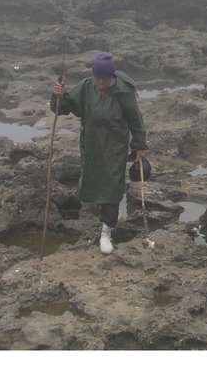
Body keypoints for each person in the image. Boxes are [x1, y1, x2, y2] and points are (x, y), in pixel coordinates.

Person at [50, 51, 148, 254]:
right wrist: (58, 95)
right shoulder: (87, 86)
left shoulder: (123, 91)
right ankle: (119, 202)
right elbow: (64, 107)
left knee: (111, 185)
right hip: (92, 144)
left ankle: (106, 232)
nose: (101, 82)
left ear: (112, 76)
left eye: (105, 78)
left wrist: (139, 146)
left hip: (115, 146)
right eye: (99, 78)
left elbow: (135, 120)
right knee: (97, 183)